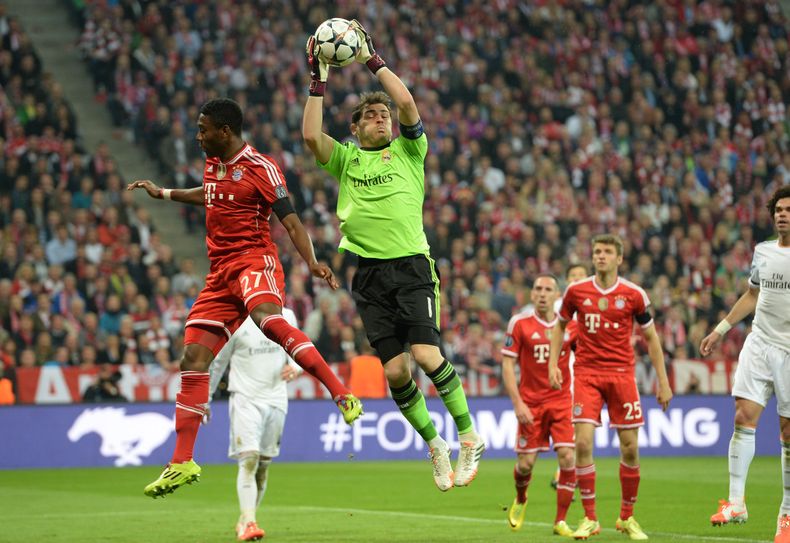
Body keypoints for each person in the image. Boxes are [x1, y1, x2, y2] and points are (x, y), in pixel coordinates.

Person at [128, 98, 362, 498]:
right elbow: (211, 194)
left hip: (254, 261)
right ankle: (182, 461)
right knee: (193, 358)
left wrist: (313, 262)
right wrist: (163, 193)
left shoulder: (262, 167)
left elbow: (290, 221)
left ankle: (340, 392)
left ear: (225, 131)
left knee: (269, 322)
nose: (198, 137)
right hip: (219, 274)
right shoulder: (214, 163)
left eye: (203, 130)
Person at [301, 21, 484, 491]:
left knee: (425, 354)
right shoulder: (346, 159)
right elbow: (309, 136)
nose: (383, 118)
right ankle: (434, 443)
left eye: (384, 114)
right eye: (372, 116)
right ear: (356, 128)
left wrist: (370, 58)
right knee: (396, 370)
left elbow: (406, 104)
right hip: (368, 274)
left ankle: (468, 435)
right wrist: (318, 78)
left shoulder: (408, 151)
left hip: (412, 267)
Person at [548, 234, 672, 540]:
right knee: (583, 443)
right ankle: (590, 518)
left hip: (622, 375)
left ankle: (627, 518)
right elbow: (560, 326)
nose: (600, 256)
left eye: (606, 252)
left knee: (630, 447)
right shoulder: (576, 291)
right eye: (596, 252)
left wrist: (663, 381)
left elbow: (652, 339)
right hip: (587, 374)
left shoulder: (634, 294)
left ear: (619, 258)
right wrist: (553, 363)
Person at [700, 186, 790, 543]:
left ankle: (786, 518)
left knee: (788, 433)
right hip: (760, 342)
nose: (782, 214)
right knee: (743, 416)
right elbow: (753, 294)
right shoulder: (763, 252)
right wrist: (720, 330)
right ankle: (736, 503)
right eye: (779, 209)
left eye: (788, 209)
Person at [205, 309, 302, 542]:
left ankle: (246, 519)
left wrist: (296, 368)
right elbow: (218, 363)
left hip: (277, 399)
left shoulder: (286, 316)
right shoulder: (233, 320)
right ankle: (249, 522)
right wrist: (205, 398)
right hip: (245, 400)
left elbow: (297, 350)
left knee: (263, 467)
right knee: (249, 460)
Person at [502, 274, 578, 536]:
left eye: (548, 289)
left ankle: (561, 521)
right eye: (538, 289)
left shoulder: (570, 326)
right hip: (531, 404)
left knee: (568, 457)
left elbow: (585, 358)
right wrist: (518, 403)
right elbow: (507, 365)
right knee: (525, 465)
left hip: (561, 401)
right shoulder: (519, 323)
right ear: (532, 295)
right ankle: (521, 498)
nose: (543, 293)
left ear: (558, 296)